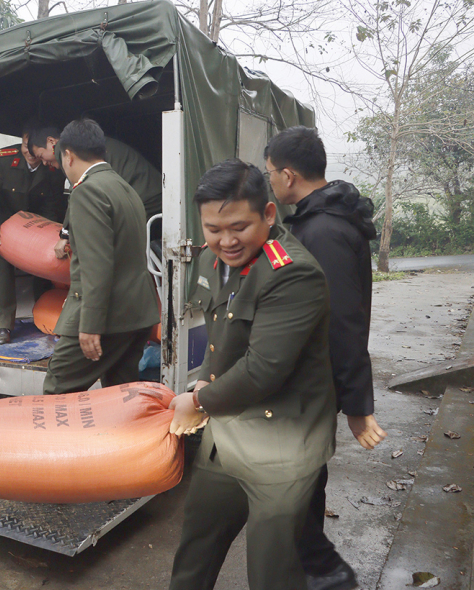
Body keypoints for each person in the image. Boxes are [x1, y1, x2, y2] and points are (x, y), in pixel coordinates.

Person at [167, 159, 337, 590]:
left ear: (268, 214)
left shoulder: (292, 273)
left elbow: (264, 370)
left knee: (272, 571)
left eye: (238, 227)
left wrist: (199, 400)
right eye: (212, 229)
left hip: (284, 443)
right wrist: (205, 380)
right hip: (227, 434)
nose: (226, 241)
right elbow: (217, 338)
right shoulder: (210, 263)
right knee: (195, 552)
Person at [265, 125, 387, 590]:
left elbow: (343, 323)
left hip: (312, 383)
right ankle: (312, 566)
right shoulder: (319, 220)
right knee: (302, 478)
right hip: (310, 380)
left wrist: (358, 406)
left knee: (299, 482)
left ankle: (326, 572)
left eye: (272, 172)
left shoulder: (324, 231)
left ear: (289, 175)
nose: (271, 179)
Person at [42, 118, 159, 395]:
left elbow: (97, 267)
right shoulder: (125, 188)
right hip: (136, 316)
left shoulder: (87, 191)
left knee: (58, 390)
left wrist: (90, 326)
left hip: (107, 320)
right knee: (119, 399)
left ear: (67, 155)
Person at [0, 120, 67, 344]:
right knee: (5, 261)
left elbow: (54, 203)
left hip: (39, 226)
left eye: (33, 146)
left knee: (47, 264)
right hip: (6, 226)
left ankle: (45, 314)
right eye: (25, 144)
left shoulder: (52, 165)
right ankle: (3, 324)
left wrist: (52, 235)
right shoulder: (5, 160)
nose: (30, 151)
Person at [29, 124, 163, 259]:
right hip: (151, 194)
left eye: (41, 156)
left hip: (146, 198)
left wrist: (65, 235)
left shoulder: (65, 150)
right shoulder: (84, 144)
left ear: (51, 141)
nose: (44, 163)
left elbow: (77, 191)